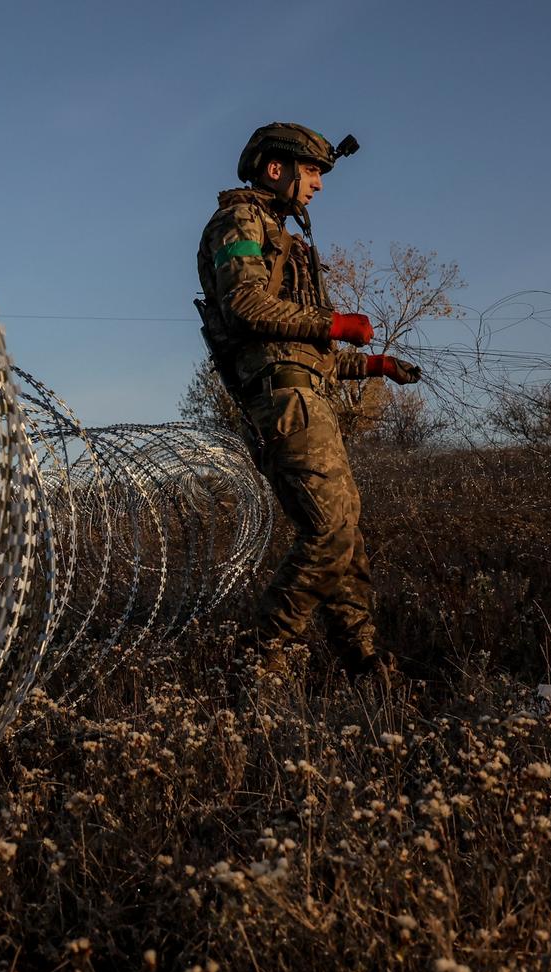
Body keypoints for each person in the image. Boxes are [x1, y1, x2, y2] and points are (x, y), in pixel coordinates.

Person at [195, 122, 421, 686]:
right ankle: (258, 658)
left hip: (304, 391)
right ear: (278, 169)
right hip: (283, 401)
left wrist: (372, 365)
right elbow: (245, 305)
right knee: (329, 533)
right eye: (313, 171)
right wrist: (336, 324)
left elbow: (303, 348)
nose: (318, 185)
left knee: (347, 537)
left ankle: (367, 666)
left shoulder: (281, 234)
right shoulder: (238, 222)